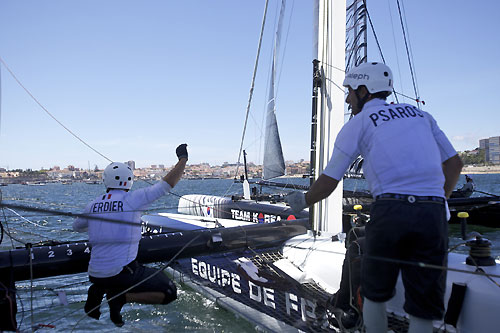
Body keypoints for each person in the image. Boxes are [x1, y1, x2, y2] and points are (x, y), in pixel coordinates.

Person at [286, 62, 463, 333]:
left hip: (391, 211)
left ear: (365, 91)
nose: (347, 98)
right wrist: (439, 202)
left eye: (350, 92)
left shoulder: (358, 124)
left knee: (373, 294)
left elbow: (330, 180)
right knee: (424, 305)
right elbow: (454, 165)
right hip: (433, 213)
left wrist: (303, 201)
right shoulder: (422, 116)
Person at [73, 144, 188, 326]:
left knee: (115, 276)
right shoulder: (132, 199)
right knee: (169, 292)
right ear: (129, 181)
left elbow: (77, 226)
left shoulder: (93, 205)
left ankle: (101, 289)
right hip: (120, 273)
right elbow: (167, 185)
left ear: (105, 180)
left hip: (94, 273)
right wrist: (183, 159)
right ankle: (120, 298)